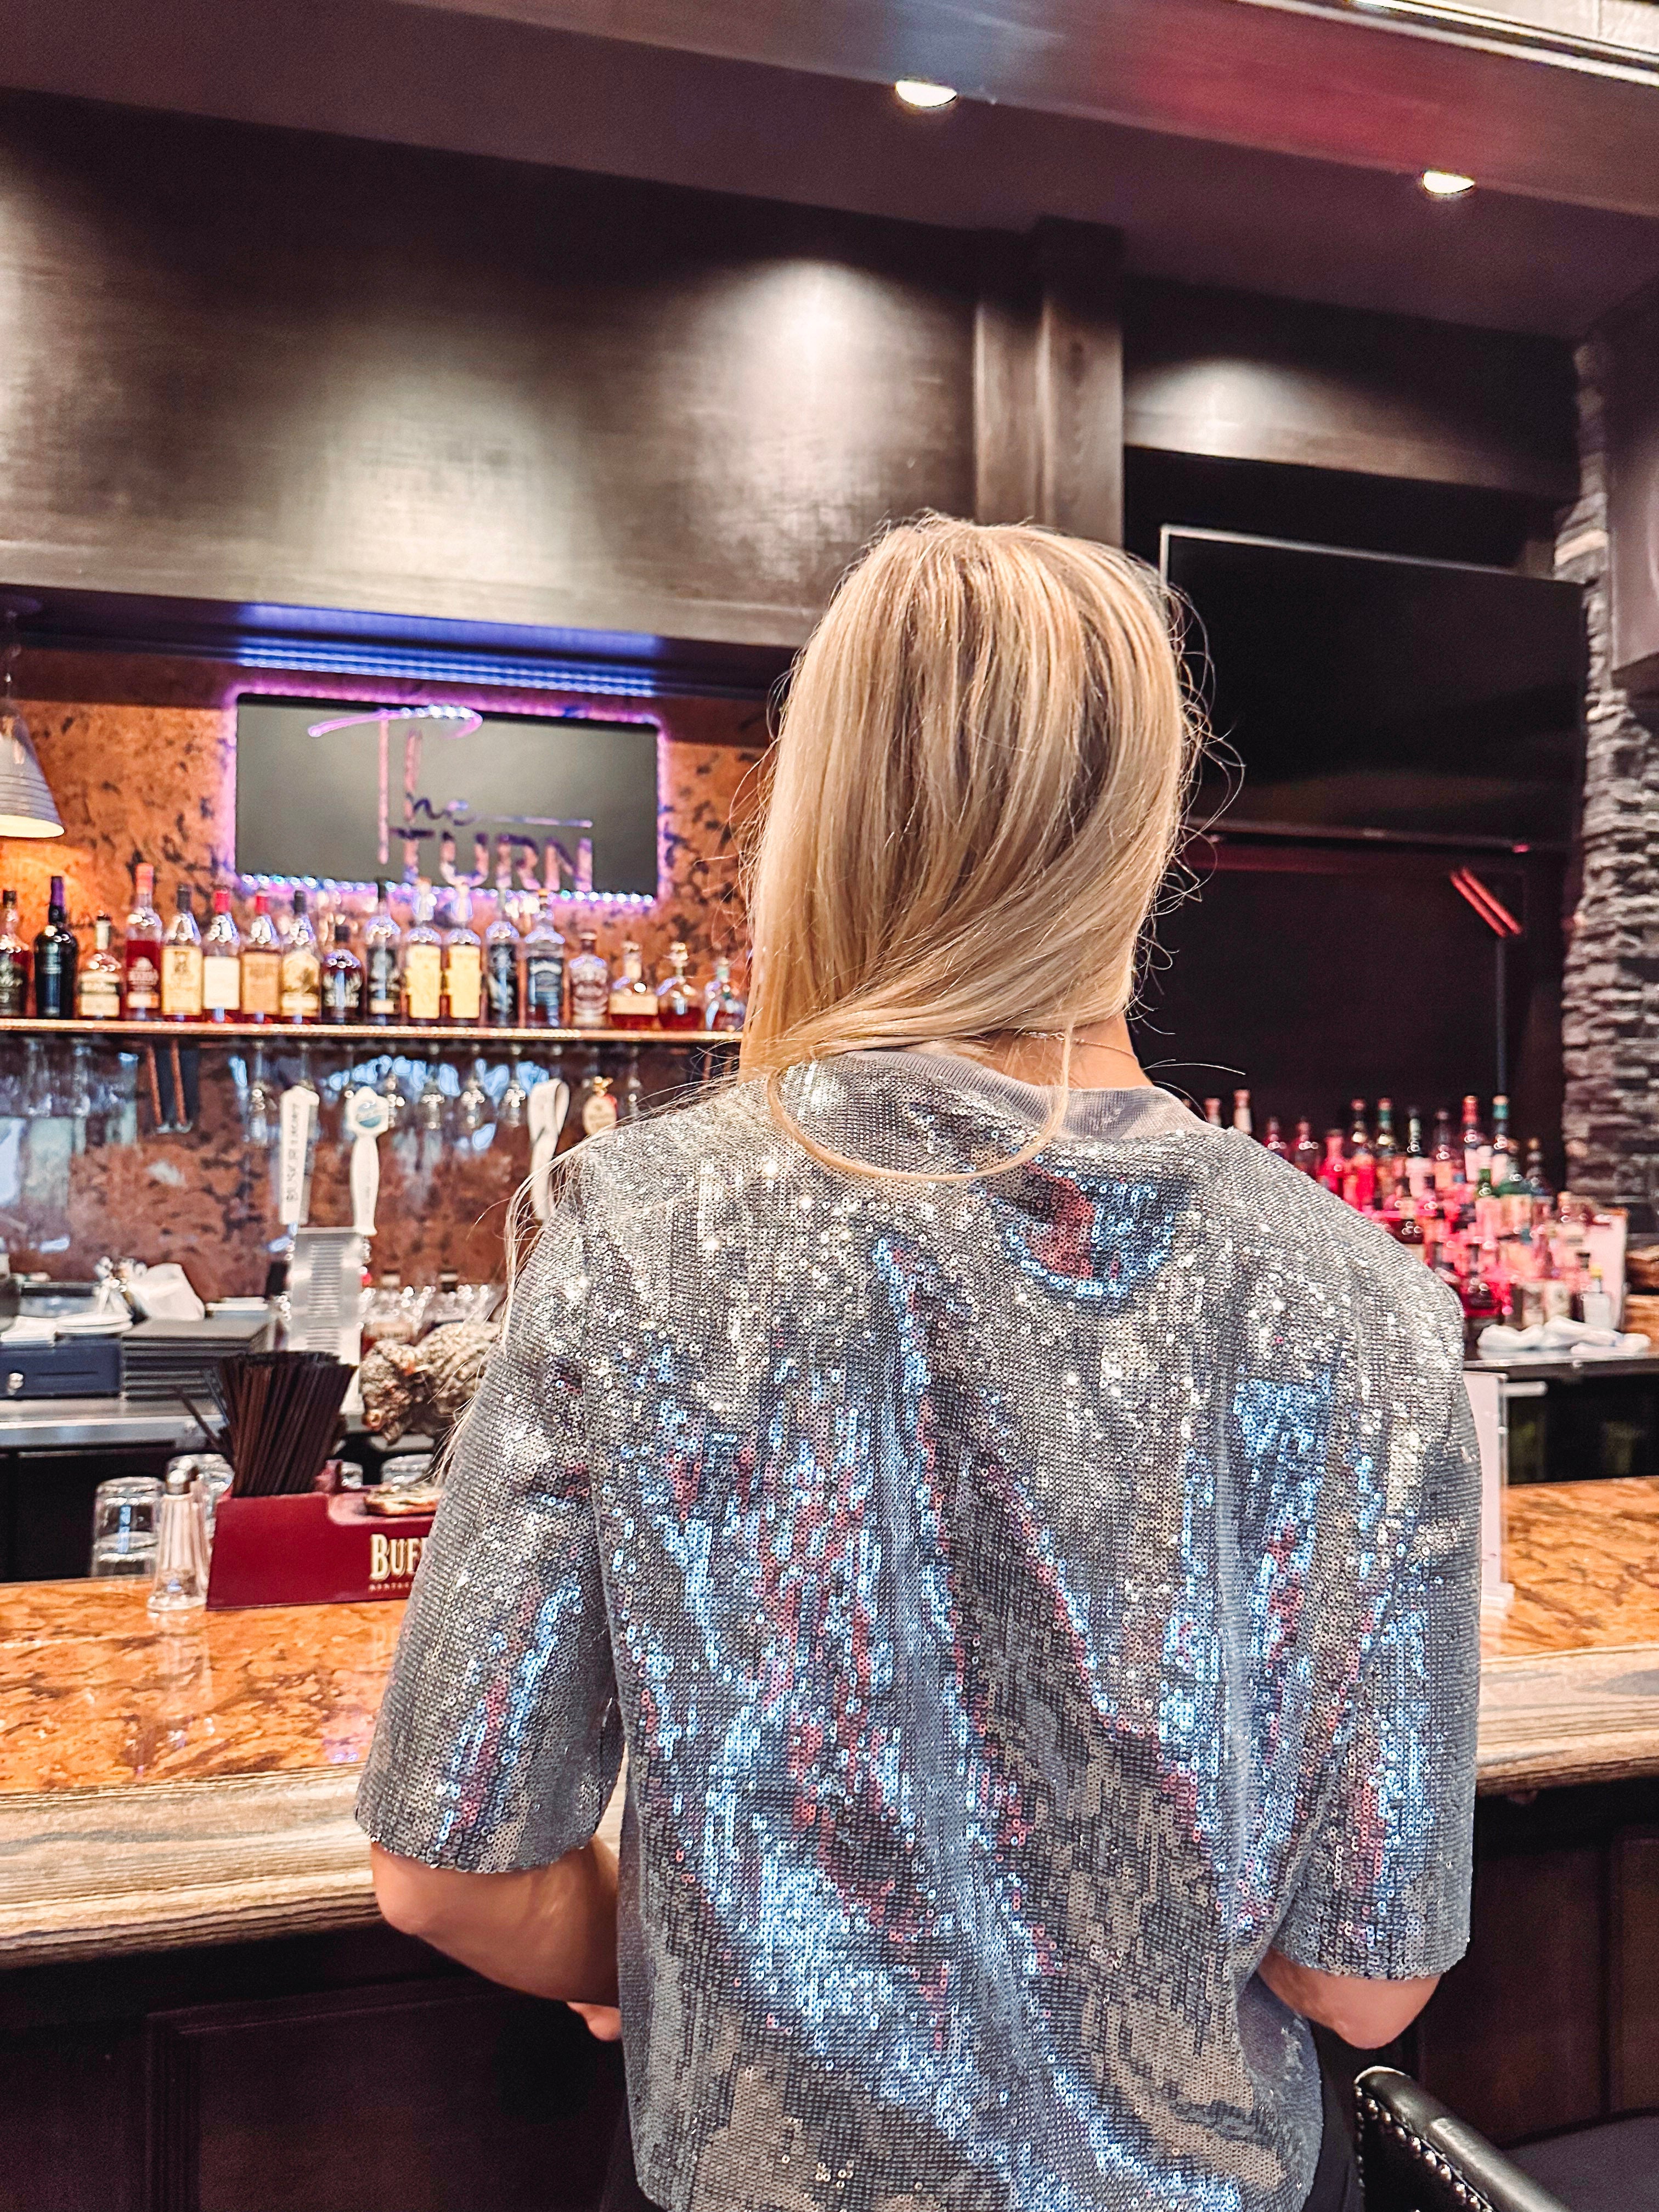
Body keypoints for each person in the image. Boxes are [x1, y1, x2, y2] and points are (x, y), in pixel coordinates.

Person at [359, 515, 1480, 2212]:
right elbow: (1365, 1982)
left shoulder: (644, 1228)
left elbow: (452, 1870)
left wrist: (689, 1958)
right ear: (1148, 828)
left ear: (821, 817)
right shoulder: (1364, 1295)